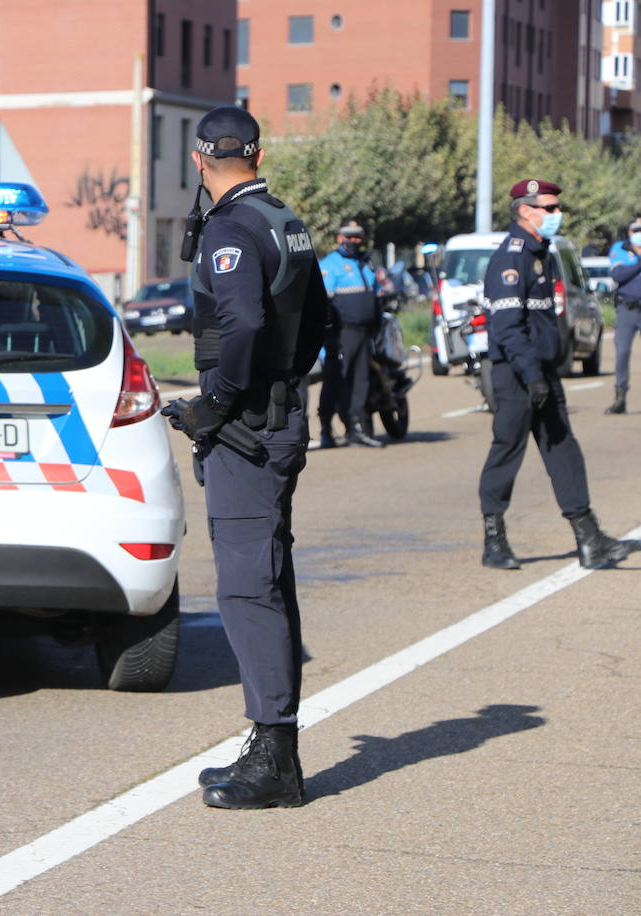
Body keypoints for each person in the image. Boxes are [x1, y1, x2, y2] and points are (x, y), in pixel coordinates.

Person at [161, 106, 328, 809]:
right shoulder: (284, 219)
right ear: (256, 154)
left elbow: (246, 323)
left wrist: (219, 403)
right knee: (268, 578)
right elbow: (319, 317)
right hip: (277, 413)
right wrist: (284, 381)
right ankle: (273, 747)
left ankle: (274, 756)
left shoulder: (230, 227)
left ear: (200, 161)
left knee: (246, 587)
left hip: (248, 429)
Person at [478, 179, 631, 571]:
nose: (556, 215)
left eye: (556, 208)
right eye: (548, 208)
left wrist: (548, 369)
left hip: (542, 370)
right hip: (516, 374)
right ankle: (494, 540)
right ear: (525, 211)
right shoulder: (510, 258)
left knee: (564, 449)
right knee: (507, 451)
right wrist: (531, 377)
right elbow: (508, 327)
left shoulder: (542, 254)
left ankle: (589, 538)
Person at [316, 221, 386, 448]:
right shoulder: (330, 265)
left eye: (358, 237)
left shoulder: (364, 264)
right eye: (350, 237)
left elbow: (376, 293)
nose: (354, 241)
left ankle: (356, 428)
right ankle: (327, 429)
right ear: (339, 238)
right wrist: (329, 337)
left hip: (364, 332)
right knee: (336, 381)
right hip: (341, 333)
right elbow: (323, 304)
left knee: (361, 381)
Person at [604, 218, 641, 415]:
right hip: (627, 308)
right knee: (622, 352)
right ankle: (620, 397)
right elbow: (618, 275)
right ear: (629, 231)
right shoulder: (620, 248)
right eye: (637, 229)